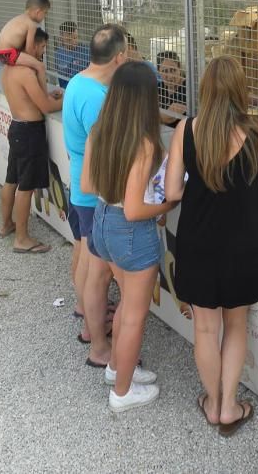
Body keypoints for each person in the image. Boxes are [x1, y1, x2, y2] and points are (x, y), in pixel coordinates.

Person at [165, 56, 258, 437]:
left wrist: (201, 189)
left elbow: (171, 192)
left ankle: (212, 402)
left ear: (205, 89)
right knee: (235, 325)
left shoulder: (186, 129)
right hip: (243, 246)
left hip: (197, 243)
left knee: (204, 330)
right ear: (241, 90)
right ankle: (230, 405)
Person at [82, 61, 174, 412]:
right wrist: (168, 203)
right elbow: (136, 210)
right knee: (135, 313)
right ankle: (122, 393)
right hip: (131, 230)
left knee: (125, 306)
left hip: (103, 221)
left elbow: (89, 185)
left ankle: (116, 368)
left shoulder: (99, 129)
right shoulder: (145, 143)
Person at [62, 24, 128, 364]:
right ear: (119, 57)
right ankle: (99, 346)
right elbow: (106, 153)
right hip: (94, 195)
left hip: (80, 186)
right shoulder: (97, 98)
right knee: (98, 274)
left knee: (87, 262)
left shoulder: (78, 81)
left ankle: (89, 322)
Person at [0, 28, 63, 253]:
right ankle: (22, 239)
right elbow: (45, 107)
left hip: (17, 127)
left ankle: (6, 225)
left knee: (11, 180)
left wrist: (47, 94)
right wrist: (66, 100)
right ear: (33, 45)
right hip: (29, 132)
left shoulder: (9, 68)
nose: (43, 51)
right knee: (25, 187)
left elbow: (34, 99)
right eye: (43, 46)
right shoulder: (26, 72)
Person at [0, 0, 49, 91]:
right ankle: (45, 95)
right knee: (40, 66)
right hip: (8, 53)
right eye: (45, 13)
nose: (44, 17)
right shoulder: (31, 24)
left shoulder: (19, 18)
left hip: (1, 53)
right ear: (38, 12)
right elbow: (29, 49)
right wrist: (34, 62)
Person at [156, 50, 187, 126]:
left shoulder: (188, 88)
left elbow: (169, 119)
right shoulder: (159, 88)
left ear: (179, 68)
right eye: (165, 71)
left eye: (173, 70)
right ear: (158, 71)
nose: (170, 76)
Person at [55, 21, 89, 88]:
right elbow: (60, 76)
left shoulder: (86, 51)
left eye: (75, 38)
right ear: (61, 38)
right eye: (69, 40)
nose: (74, 42)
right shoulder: (58, 53)